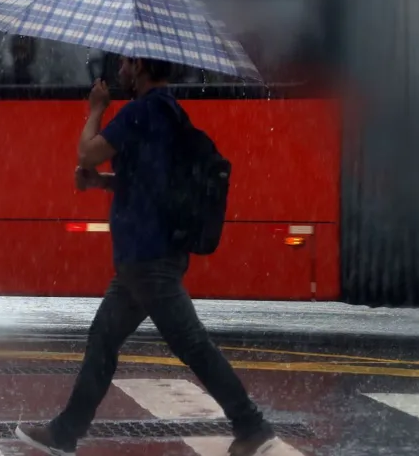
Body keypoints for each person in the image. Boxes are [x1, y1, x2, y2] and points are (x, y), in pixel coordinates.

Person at [15, 55, 276, 456]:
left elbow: (87, 151)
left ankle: (252, 425)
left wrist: (96, 110)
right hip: (147, 256)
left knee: (192, 345)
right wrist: (103, 183)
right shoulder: (169, 111)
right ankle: (66, 432)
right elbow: (148, 183)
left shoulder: (140, 112)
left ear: (138, 67)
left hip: (147, 257)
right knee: (103, 340)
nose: (118, 69)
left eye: (124, 62)